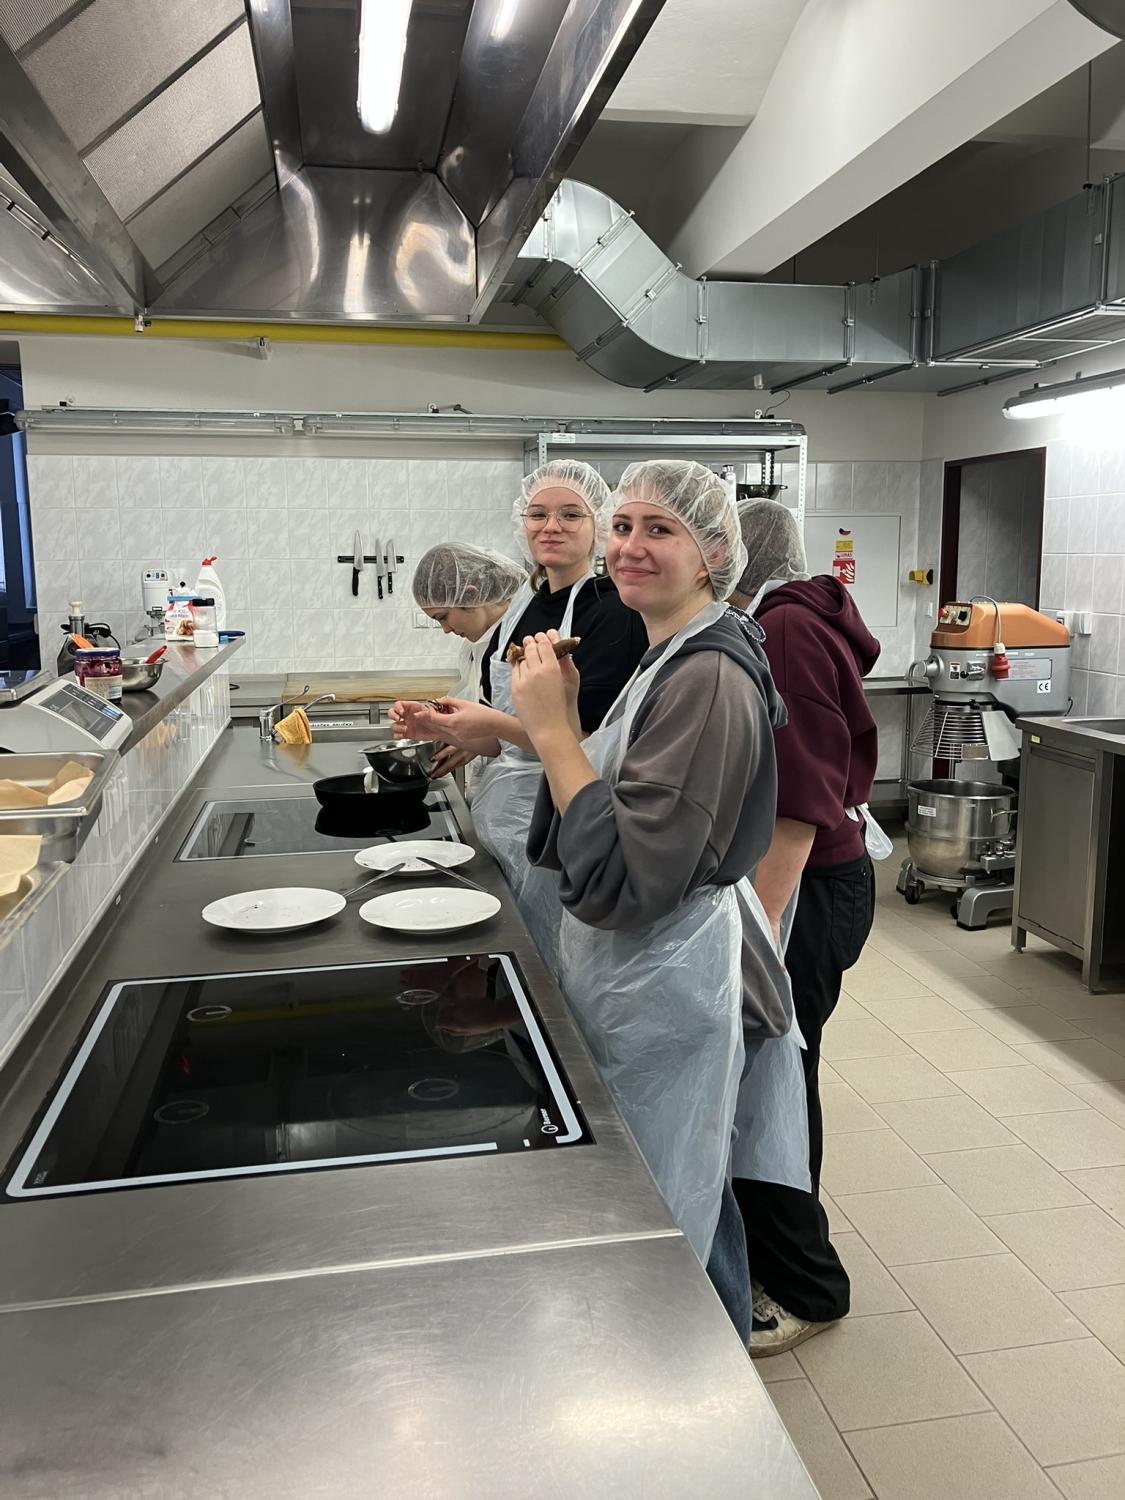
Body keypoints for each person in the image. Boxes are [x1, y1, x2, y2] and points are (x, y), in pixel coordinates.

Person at [509, 461, 809, 1339]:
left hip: (667, 975)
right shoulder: (668, 653)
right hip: (643, 968)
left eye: (660, 529)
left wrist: (551, 731)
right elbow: (613, 805)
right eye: (623, 526)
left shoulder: (706, 679)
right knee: (680, 1177)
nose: (630, 547)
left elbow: (633, 876)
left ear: (713, 552)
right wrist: (566, 718)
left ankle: (705, 1373)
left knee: (676, 1192)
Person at [391, 461, 648, 973]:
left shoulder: (613, 612)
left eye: (570, 514)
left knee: (553, 965)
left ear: (600, 524)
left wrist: (489, 726)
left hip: (562, 824)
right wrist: (440, 725)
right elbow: (505, 734)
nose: (550, 526)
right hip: (505, 823)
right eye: (538, 514)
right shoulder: (525, 607)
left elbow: (592, 745)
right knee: (513, 960)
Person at [728, 499, 881, 1358]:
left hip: (807, 888)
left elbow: (799, 799)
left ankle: (807, 1288)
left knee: (776, 1084)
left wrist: (756, 933)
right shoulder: (792, 616)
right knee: (774, 1080)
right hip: (813, 880)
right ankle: (776, 1257)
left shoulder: (783, 629)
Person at [409, 543, 527, 787]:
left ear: (471, 595)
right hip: (497, 783)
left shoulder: (522, 640)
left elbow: (539, 732)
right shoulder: (477, 646)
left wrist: (478, 739)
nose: (445, 629)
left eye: (443, 616)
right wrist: (436, 719)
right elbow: (478, 705)